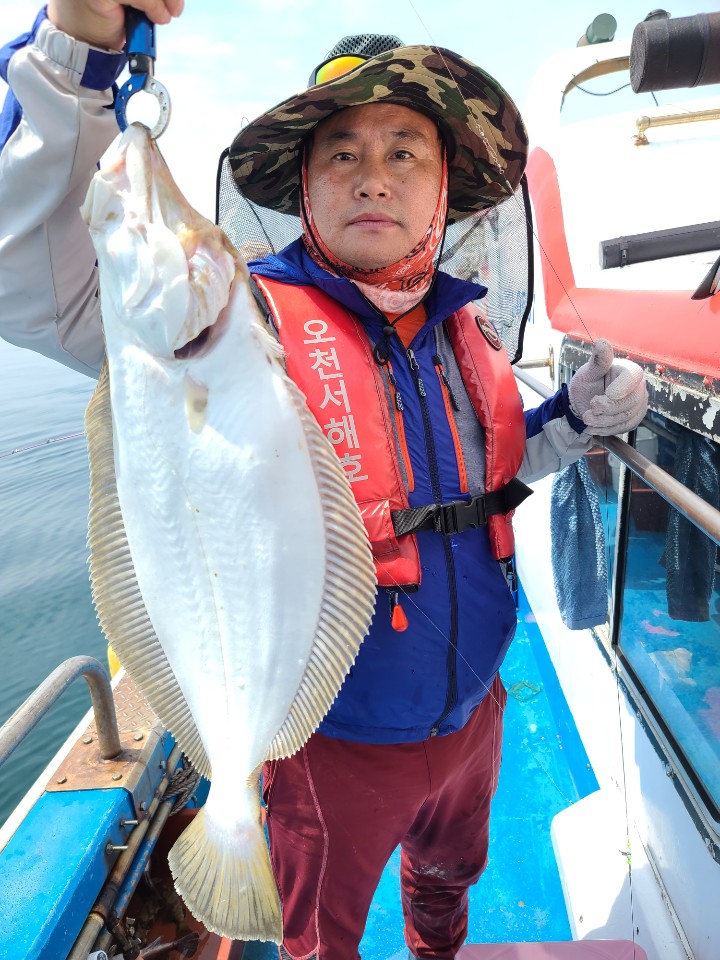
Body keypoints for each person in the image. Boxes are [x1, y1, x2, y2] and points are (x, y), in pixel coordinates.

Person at [0, 4, 648, 959]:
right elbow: (44, 273)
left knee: (448, 877)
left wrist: (575, 420)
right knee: (321, 930)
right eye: (341, 153)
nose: (372, 176)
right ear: (304, 187)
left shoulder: (464, 334)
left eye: (404, 153)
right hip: (328, 741)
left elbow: (494, 479)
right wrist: (82, 50)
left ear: (445, 196)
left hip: (475, 713)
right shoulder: (238, 324)